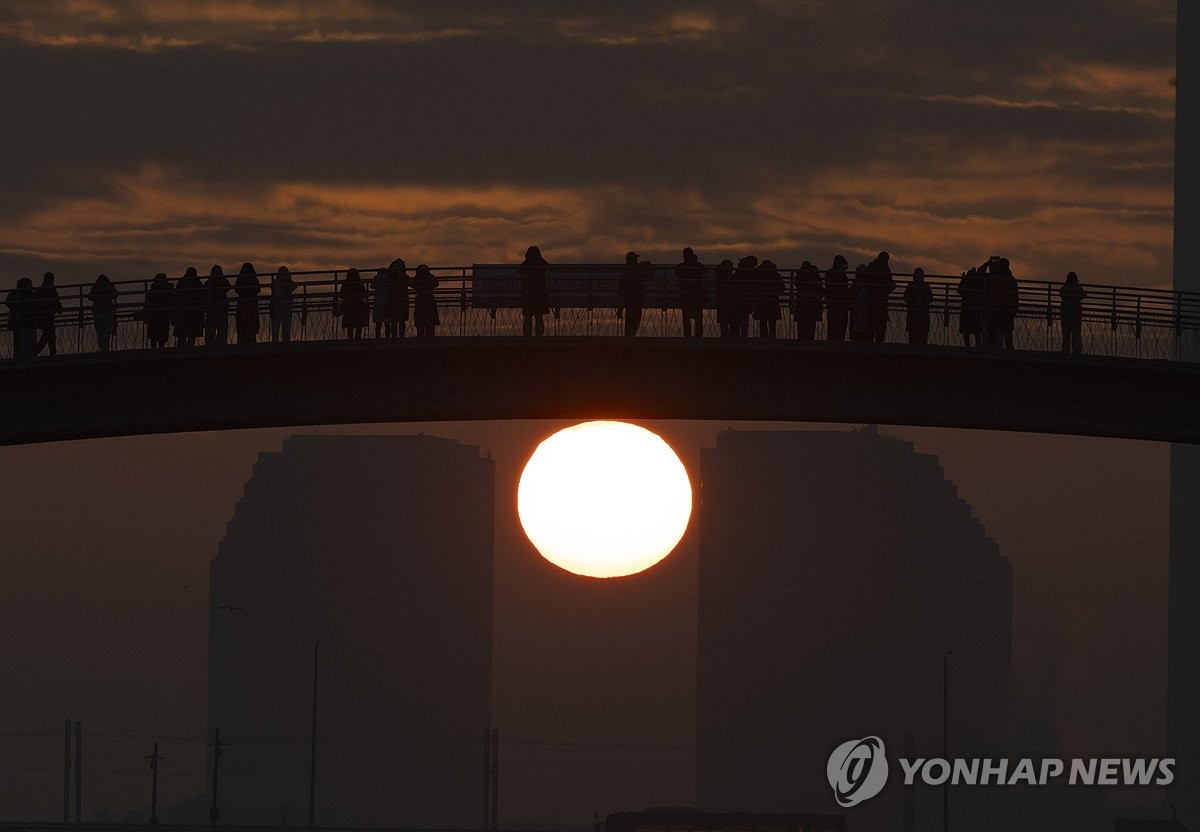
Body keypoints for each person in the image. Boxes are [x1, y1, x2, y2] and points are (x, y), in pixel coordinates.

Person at [518, 245, 550, 337]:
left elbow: (519, 270)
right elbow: (550, 268)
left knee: (528, 316)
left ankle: (527, 336)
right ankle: (539, 336)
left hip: (529, 294)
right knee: (539, 316)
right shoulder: (541, 262)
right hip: (541, 294)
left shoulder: (527, 263)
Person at [865, 251, 895, 343]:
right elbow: (890, 284)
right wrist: (886, 291)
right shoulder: (885, 268)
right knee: (880, 325)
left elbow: (866, 280)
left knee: (871, 325)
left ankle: (869, 343)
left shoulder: (871, 266)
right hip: (881, 301)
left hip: (871, 300)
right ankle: (878, 343)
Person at [676, 247, 705, 338]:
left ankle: (687, 335)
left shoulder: (681, 266)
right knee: (698, 316)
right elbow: (703, 270)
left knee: (686, 316)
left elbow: (677, 272)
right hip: (697, 295)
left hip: (685, 295)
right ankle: (699, 335)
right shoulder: (698, 265)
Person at [173, 266, 206, 347]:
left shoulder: (181, 282)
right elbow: (203, 296)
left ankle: (180, 348)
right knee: (192, 334)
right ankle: (190, 346)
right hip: (194, 312)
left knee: (182, 334)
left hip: (183, 312)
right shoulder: (198, 283)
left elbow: (176, 296)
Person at [4, 277, 36, 359]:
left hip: (17, 322)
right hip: (27, 322)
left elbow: (7, 303)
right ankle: (28, 358)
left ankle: (17, 358)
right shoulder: (29, 295)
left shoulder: (14, 293)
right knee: (29, 343)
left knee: (17, 342)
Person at [33, 272, 63, 356]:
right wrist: (59, 308)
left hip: (44, 316)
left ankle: (38, 352)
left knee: (49, 335)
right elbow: (56, 301)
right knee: (49, 334)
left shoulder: (40, 290)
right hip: (47, 316)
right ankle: (37, 352)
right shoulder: (51, 290)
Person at [87, 274, 119, 353]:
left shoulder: (96, 286)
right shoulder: (109, 286)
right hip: (107, 312)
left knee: (100, 333)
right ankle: (105, 350)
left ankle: (102, 349)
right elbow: (116, 294)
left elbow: (90, 297)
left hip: (97, 313)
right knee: (106, 333)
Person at [753, 259, 784, 339]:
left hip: (761, 300)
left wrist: (757, 294)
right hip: (772, 300)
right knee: (772, 321)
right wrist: (776, 294)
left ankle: (763, 337)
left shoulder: (758, 273)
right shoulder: (774, 273)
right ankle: (772, 337)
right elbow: (782, 287)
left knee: (763, 321)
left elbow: (753, 285)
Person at [792, 260, 823, 341]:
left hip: (801, 303)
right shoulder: (814, 273)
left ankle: (801, 341)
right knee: (811, 325)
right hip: (812, 302)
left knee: (801, 326)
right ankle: (810, 341)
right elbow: (819, 286)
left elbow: (796, 283)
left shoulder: (800, 274)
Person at [824, 255, 852, 342]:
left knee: (833, 324)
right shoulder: (841, 274)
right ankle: (839, 342)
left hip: (832, 302)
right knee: (841, 324)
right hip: (841, 303)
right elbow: (844, 288)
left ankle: (832, 342)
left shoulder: (829, 273)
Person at [903, 267, 934, 345]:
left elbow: (905, 297)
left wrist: (912, 301)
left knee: (913, 330)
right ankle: (922, 345)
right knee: (921, 330)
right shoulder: (926, 285)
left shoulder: (911, 285)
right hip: (922, 310)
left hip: (913, 310)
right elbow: (930, 298)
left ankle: (913, 346)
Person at [234, 262, 261, 345]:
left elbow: (236, 289)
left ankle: (241, 344)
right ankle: (252, 344)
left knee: (242, 327)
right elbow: (258, 289)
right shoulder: (254, 279)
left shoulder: (240, 279)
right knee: (251, 327)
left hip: (242, 305)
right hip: (252, 305)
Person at [143, 272, 173, 349]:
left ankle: (154, 348)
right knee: (162, 335)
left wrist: (145, 314)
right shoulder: (168, 291)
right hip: (164, 316)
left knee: (154, 335)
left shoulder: (152, 291)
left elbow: (147, 303)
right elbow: (172, 302)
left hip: (154, 316)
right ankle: (161, 348)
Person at [338, 268, 369, 339]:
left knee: (350, 326)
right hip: (359, 307)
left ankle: (350, 340)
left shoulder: (346, 283)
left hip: (348, 307)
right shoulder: (360, 283)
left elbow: (341, 295)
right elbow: (364, 295)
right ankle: (358, 338)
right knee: (359, 325)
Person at [619, 251, 644, 337]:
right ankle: (630, 336)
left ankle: (629, 336)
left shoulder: (625, 270)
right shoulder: (633, 270)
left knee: (630, 318)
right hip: (635, 298)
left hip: (629, 297)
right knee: (635, 318)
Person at [1060, 271, 1086, 355]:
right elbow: (1083, 295)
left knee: (1065, 333)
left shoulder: (1065, 288)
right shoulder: (1078, 288)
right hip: (1076, 313)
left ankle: (1065, 350)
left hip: (1065, 313)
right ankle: (1077, 351)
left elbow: (1060, 292)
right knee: (1076, 333)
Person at [956, 267, 984, 347]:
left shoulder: (966, 284)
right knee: (977, 330)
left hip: (966, 309)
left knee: (966, 330)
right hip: (975, 309)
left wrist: (963, 279)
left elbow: (959, 290)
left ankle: (967, 346)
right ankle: (977, 346)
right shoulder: (978, 285)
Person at [205, 265, 232, 346]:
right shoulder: (223, 280)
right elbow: (228, 287)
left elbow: (205, 291)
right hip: (222, 308)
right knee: (222, 330)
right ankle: (221, 345)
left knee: (211, 330)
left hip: (212, 308)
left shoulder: (209, 282)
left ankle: (210, 346)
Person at [410, 264, 440, 337]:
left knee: (420, 323)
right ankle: (430, 339)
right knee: (430, 323)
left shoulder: (417, 278)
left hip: (420, 300)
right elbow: (436, 283)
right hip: (430, 300)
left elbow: (411, 284)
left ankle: (420, 339)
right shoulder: (430, 277)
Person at [270, 266, 297, 344]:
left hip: (277, 306)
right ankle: (285, 343)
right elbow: (295, 286)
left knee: (275, 327)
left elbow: (272, 294)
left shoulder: (276, 282)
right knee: (286, 327)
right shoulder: (289, 283)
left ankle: (275, 343)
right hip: (286, 306)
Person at [383, 258, 409, 339]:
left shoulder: (391, 275)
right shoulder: (405, 276)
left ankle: (394, 336)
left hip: (393, 299)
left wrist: (391, 267)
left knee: (394, 319)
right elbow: (411, 283)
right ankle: (402, 336)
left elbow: (388, 274)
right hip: (403, 299)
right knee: (402, 320)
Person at [732, 255, 758, 338]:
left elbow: (735, 282)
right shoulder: (751, 271)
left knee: (737, 317)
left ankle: (735, 335)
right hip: (747, 296)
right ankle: (744, 335)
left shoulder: (739, 269)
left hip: (737, 296)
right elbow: (753, 283)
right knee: (745, 317)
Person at [850, 264, 871, 342]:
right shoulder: (858, 284)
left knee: (859, 325)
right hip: (858, 308)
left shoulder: (862, 285)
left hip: (861, 308)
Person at [714, 259, 735, 337]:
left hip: (722, 299)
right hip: (726, 300)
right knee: (728, 319)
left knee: (724, 320)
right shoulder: (730, 277)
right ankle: (730, 336)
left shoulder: (718, 275)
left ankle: (725, 335)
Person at [371, 266, 390, 338]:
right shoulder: (388, 278)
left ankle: (377, 338)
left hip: (378, 301)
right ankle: (388, 338)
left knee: (378, 323)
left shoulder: (377, 277)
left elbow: (372, 286)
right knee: (387, 323)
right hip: (387, 301)